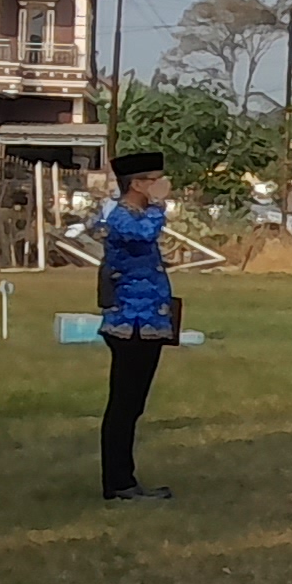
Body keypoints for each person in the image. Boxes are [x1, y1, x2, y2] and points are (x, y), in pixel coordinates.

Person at [96, 152, 180, 502]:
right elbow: (144, 235)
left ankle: (122, 479)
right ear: (137, 184)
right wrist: (160, 205)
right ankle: (119, 483)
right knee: (124, 406)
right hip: (131, 324)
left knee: (132, 405)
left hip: (147, 321)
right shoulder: (124, 217)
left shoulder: (135, 214)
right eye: (154, 180)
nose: (161, 185)